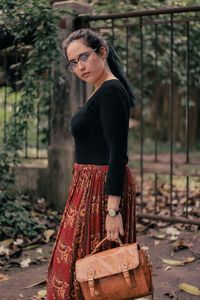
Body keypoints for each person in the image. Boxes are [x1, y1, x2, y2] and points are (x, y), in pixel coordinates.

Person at [46, 28, 136, 300]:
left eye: (84, 57)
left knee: (95, 270)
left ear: (102, 51)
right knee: (80, 266)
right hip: (87, 186)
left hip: (101, 192)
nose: (79, 66)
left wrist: (112, 211)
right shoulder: (100, 90)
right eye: (73, 62)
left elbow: (117, 153)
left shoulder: (110, 91)